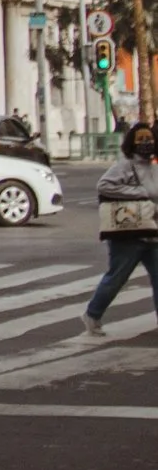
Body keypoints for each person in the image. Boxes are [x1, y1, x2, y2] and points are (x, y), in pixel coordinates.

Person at [85, 121, 158, 335]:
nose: (147, 143)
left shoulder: (154, 167)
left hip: (152, 231)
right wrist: (139, 192)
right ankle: (92, 314)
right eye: (141, 139)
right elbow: (104, 185)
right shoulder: (124, 165)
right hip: (128, 234)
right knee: (117, 277)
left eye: (150, 139)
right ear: (132, 143)